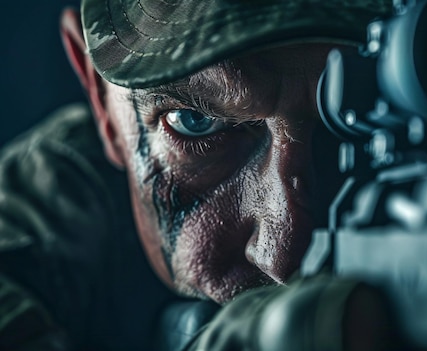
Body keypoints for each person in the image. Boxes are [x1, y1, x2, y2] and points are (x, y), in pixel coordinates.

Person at [0, 0, 394, 350]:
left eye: (373, 113)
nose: (283, 253)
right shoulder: (51, 204)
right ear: (100, 100)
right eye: (195, 121)